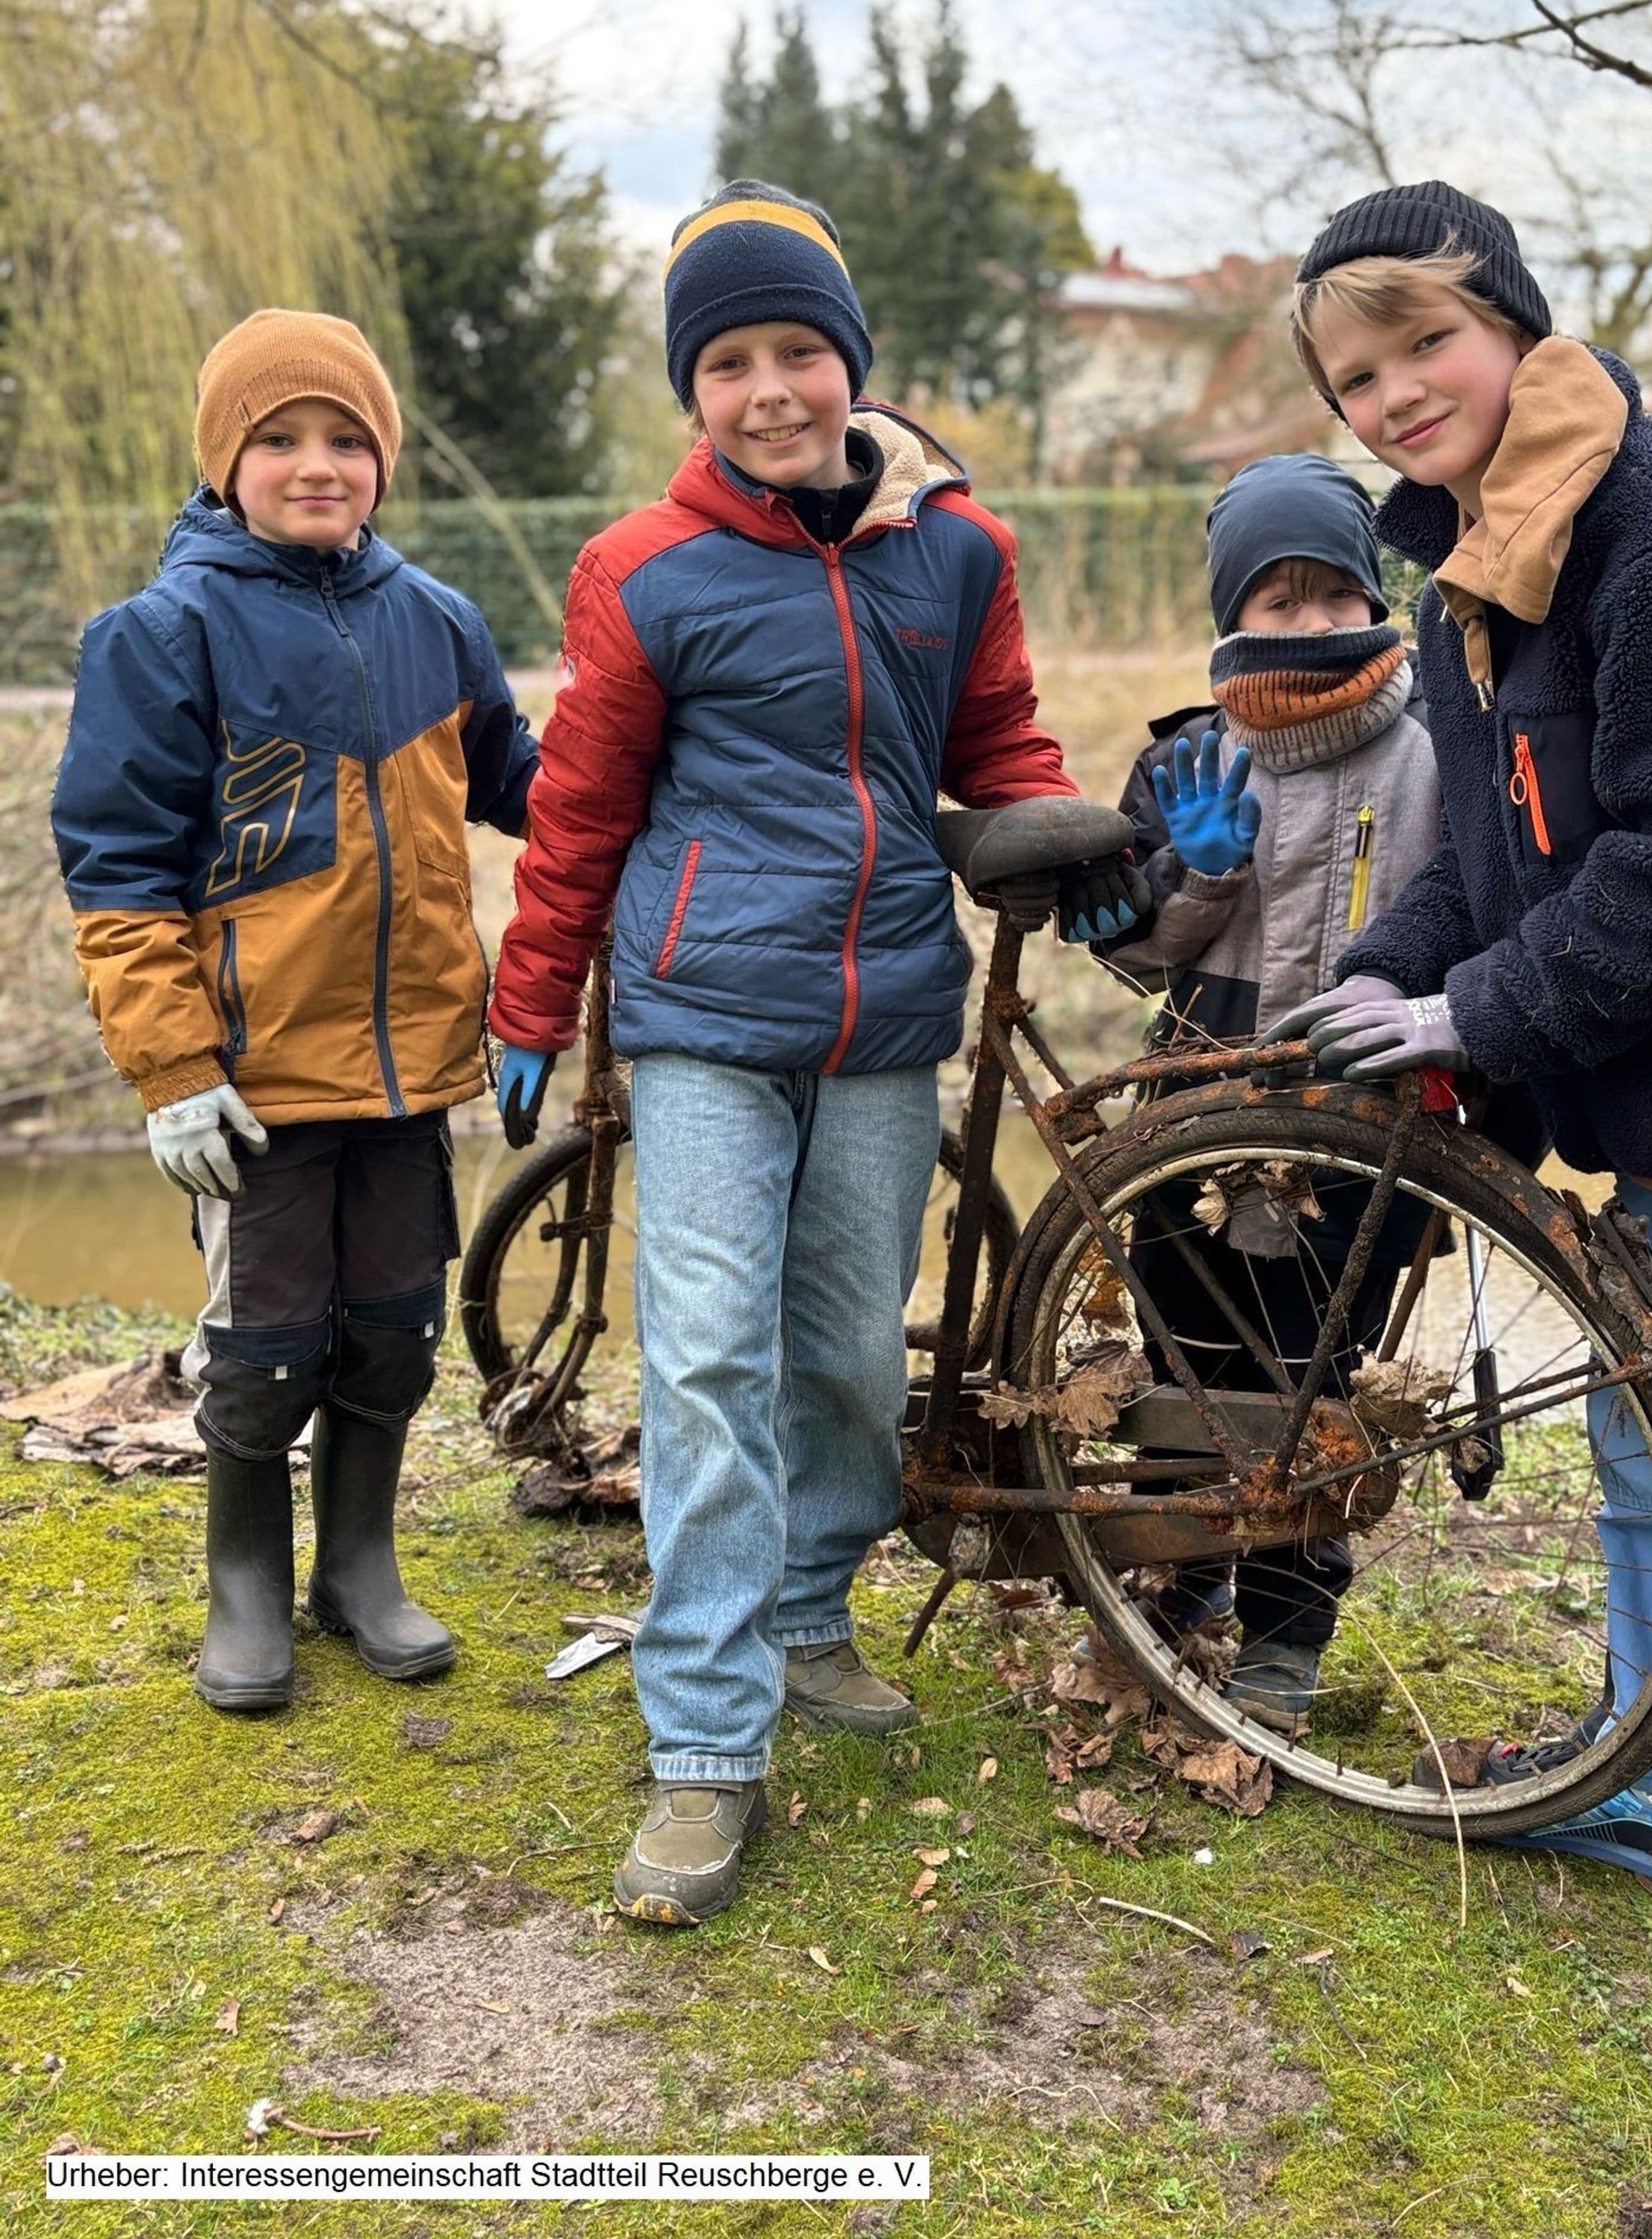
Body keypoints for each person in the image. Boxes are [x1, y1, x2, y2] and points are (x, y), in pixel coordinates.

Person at [485, 180, 1129, 1928]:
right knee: (702, 1360)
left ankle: (805, 1611)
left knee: (847, 1349)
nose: (771, 390)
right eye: (731, 364)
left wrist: (1063, 836)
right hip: (703, 1018)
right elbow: (578, 812)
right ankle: (705, 1747)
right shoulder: (644, 569)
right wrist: (531, 1005)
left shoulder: (959, 553)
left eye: (799, 352)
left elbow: (997, 739)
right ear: (693, 392)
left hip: (884, 1017)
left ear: (852, 362)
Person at [1275, 181, 1652, 1900]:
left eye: (1425, 341)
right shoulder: (1474, 564)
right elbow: (1504, 862)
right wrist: (1388, 974)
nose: (1397, 395)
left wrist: (1474, 1012)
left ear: (1512, 320)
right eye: (1356, 379)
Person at [51, 309, 538, 1716]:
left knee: (392, 1331)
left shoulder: (437, 619)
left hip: (415, 1071)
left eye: (346, 440)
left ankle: (360, 1566)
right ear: (225, 462)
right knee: (264, 1350)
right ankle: (248, 1583)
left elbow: (526, 784)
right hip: (254, 1082)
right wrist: (172, 1068)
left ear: (381, 459)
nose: (316, 465)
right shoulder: (163, 635)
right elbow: (120, 871)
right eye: (280, 440)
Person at [1093, 453, 1441, 1733]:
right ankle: (1180, 1572)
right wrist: (1195, 876)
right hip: (1196, 1113)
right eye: (1276, 599)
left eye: (1332, 593)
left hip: (1370, 1119)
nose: (1308, 623)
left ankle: (1290, 1626)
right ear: (1231, 613)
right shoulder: (1186, 759)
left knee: (1318, 1373)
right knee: (1187, 1346)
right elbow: (1134, 958)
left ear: (1375, 595)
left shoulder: (1434, 750)